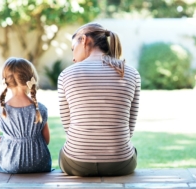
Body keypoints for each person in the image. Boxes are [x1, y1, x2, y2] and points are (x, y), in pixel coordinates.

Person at [57, 23, 141, 176]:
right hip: (120, 164)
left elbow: (68, 127)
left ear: (84, 40)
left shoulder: (66, 75)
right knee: (132, 150)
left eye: (72, 49)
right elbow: (129, 127)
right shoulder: (131, 73)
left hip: (76, 163)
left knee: (63, 152)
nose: (73, 57)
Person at [0, 57, 51, 173]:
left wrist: (10, 139)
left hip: (9, 164)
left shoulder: (0, 111)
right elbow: (46, 140)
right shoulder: (40, 109)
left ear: (6, 81)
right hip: (39, 163)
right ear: (32, 79)